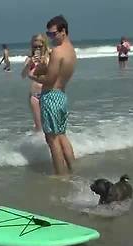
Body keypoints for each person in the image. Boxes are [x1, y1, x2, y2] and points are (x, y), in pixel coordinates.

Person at [29, 15, 76, 175]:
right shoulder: (72, 51)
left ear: (63, 31)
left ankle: (61, 177)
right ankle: (73, 170)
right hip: (62, 96)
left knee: (52, 140)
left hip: (51, 97)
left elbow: (49, 79)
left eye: (53, 34)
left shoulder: (57, 52)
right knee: (62, 136)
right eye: (48, 34)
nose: (50, 37)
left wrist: (33, 76)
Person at [21, 34, 49, 132]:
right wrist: (29, 64)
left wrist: (44, 63)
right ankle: (39, 144)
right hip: (34, 95)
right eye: (35, 46)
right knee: (39, 126)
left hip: (48, 93)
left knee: (50, 124)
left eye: (40, 47)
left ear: (44, 45)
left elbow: (53, 74)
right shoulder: (29, 59)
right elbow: (23, 75)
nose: (37, 49)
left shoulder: (49, 57)